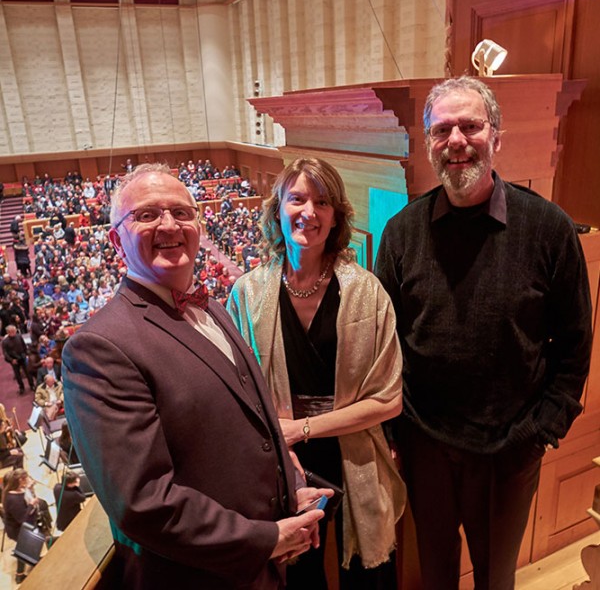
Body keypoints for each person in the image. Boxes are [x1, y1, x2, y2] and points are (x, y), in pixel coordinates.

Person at [62, 163, 331, 590]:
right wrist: (265, 539)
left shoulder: (214, 308)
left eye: (181, 212)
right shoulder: (100, 347)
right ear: (116, 240)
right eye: (148, 215)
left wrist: (292, 489)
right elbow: (143, 502)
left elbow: (254, 422)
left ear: (198, 225)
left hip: (263, 567)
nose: (169, 224)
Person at [375, 75, 593, 590]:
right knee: (435, 575)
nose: (455, 140)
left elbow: (576, 343)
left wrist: (541, 430)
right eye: (441, 129)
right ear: (428, 143)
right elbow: (385, 346)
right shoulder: (402, 232)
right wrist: (394, 430)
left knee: (496, 579)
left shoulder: (548, 228)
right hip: (426, 443)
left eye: (469, 126)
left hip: (510, 448)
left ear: (496, 137)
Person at [227, 157, 406, 590]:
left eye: (322, 201)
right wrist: (283, 440)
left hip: (354, 450)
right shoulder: (247, 293)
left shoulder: (366, 291)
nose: (309, 211)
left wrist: (300, 429)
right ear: (277, 210)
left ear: (336, 216)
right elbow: (235, 393)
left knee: (369, 573)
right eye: (297, 198)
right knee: (298, 576)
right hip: (281, 460)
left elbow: (389, 400)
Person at [2, 469, 52, 584]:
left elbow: (25, 498)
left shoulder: (17, 490)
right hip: (18, 529)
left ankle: (30, 562)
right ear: (20, 480)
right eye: (26, 478)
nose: (29, 479)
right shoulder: (13, 499)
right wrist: (31, 505)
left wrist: (30, 489)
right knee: (26, 547)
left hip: (25, 524)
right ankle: (19, 575)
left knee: (26, 547)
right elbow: (22, 519)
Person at [2, 325, 35, 395]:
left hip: (22, 357)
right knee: (18, 375)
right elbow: (5, 353)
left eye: (14, 331)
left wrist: (26, 354)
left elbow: (24, 345)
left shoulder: (19, 336)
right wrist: (11, 360)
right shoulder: (5, 342)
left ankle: (32, 385)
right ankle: (21, 388)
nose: (14, 332)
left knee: (28, 372)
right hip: (14, 360)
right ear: (8, 332)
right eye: (12, 332)